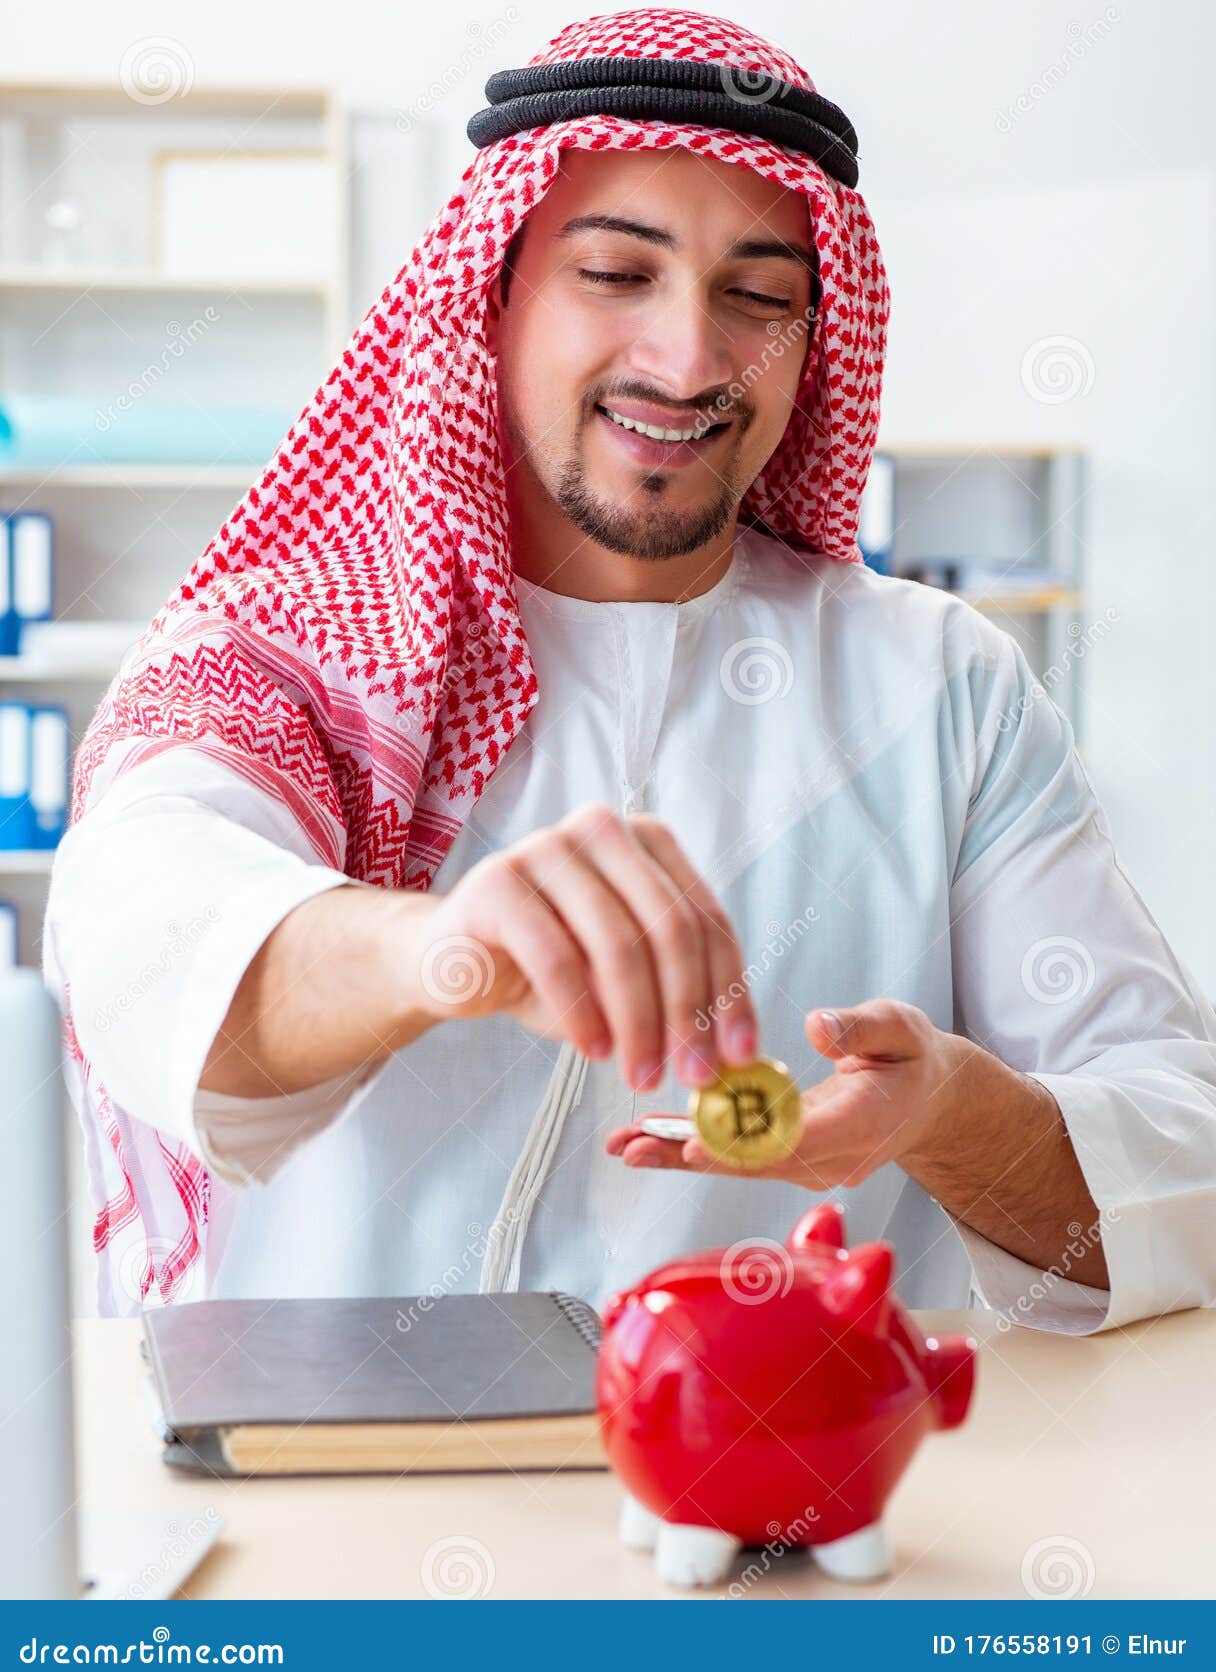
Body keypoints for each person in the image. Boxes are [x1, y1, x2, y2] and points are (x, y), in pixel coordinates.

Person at [46, 9, 1216, 1333]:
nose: (688, 357)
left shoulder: (945, 689)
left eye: (760, 295)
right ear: (490, 292)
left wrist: (950, 1111)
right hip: (322, 1500)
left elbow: (1183, 1150)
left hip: (786, 1496)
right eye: (616, 270)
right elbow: (140, 937)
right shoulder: (276, 647)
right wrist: (447, 947)